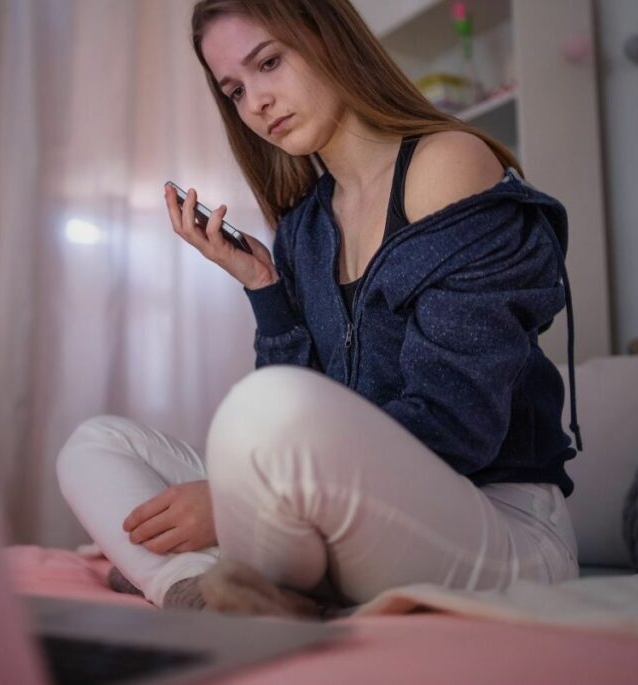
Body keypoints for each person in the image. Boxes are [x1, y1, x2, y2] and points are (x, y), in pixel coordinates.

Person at [56, 0, 584, 618]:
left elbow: (454, 426)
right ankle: (189, 587)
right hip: (358, 510)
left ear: (329, 38)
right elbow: (309, 407)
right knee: (95, 444)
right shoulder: (306, 227)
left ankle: (216, 575)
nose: (255, 103)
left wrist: (232, 503)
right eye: (234, 90)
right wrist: (264, 286)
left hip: (498, 524)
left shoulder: (445, 164)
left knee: (262, 416)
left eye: (269, 62)